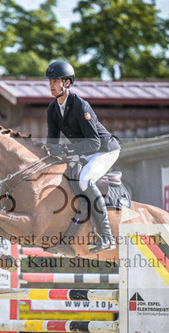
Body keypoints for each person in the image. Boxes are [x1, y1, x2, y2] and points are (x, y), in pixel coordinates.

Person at [43, 60, 121, 253]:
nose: (51, 84)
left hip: (105, 149)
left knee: (85, 179)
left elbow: (94, 143)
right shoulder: (52, 109)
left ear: (67, 83)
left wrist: (66, 150)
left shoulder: (80, 106)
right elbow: (52, 142)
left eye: (55, 80)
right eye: (50, 81)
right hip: (86, 151)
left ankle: (107, 236)